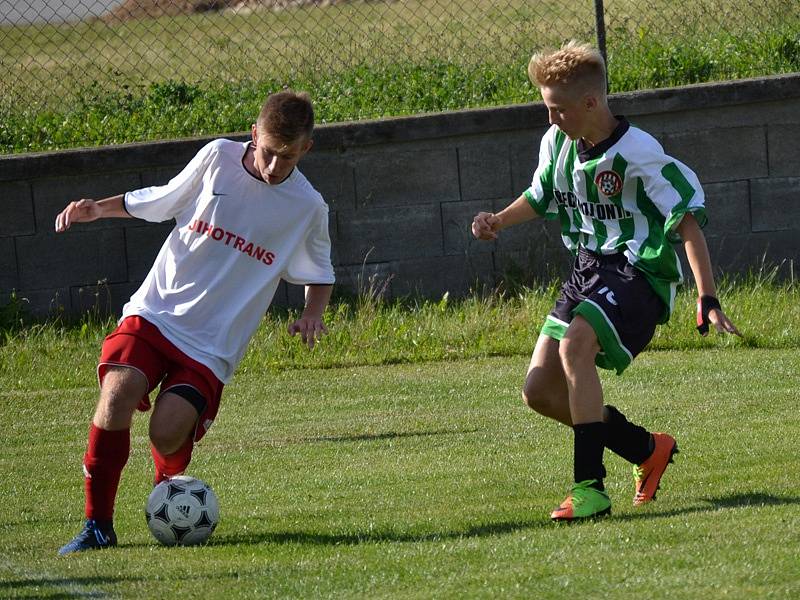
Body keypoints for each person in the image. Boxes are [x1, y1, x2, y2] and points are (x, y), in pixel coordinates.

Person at [55, 90, 335, 554]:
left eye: (285, 157)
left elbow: (319, 271)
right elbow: (163, 199)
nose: (272, 167)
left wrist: (312, 314)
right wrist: (99, 207)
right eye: (266, 151)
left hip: (212, 344)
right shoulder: (217, 158)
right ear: (252, 135)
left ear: (306, 149)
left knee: (166, 431)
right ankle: (97, 525)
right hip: (156, 311)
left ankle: (170, 491)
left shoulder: (308, 207)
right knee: (118, 392)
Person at [471, 41, 741, 521]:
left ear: (591, 103)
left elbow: (686, 221)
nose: (551, 119)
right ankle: (645, 448)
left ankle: (589, 489)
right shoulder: (557, 142)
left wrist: (707, 296)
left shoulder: (638, 153)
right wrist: (498, 219)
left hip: (639, 271)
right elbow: (541, 194)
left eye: (558, 109)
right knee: (539, 391)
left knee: (576, 348)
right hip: (587, 270)